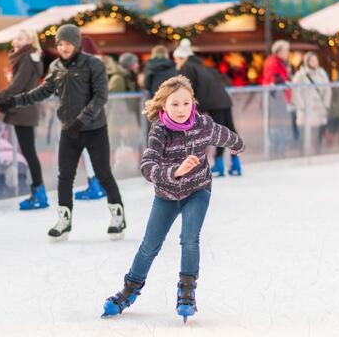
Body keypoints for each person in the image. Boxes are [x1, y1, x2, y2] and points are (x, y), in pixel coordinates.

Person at [101, 75, 245, 321]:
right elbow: (147, 166)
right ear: (164, 105)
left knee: (189, 239)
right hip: (166, 194)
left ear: (193, 103)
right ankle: (130, 290)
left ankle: (186, 291)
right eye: (175, 104)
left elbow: (226, 135)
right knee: (149, 246)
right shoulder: (160, 132)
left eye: (186, 103)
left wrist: (237, 146)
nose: (181, 109)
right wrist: (175, 171)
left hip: (198, 190)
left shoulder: (204, 125)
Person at [0, 24, 125, 240]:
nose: (64, 48)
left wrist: (82, 120)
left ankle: (118, 217)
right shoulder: (56, 66)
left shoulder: (94, 64)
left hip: (94, 129)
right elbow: (43, 91)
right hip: (69, 130)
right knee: (65, 176)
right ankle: (64, 220)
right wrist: (15, 101)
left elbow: (100, 97)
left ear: (76, 43)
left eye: (68, 43)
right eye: (60, 44)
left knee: (103, 173)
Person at [0, 29, 48, 210]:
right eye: (15, 38)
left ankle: (39, 194)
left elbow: (16, 87)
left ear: (29, 40)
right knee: (29, 152)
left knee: (29, 152)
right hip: (25, 109)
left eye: (20, 38)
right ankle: (38, 193)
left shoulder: (26, 59)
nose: (15, 41)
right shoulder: (27, 58)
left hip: (23, 110)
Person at [173, 38, 242, 176]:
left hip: (213, 103)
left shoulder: (187, 67)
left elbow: (186, 88)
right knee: (230, 130)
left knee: (219, 133)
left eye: (176, 59)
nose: (176, 62)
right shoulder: (204, 67)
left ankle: (220, 163)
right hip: (224, 100)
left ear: (181, 57)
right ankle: (235, 162)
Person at [73, 35, 108, 201]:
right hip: (97, 114)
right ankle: (100, 184)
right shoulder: (98, 64)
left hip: (86, 114)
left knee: (88, 151)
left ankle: (95, 185)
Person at [291, 52, 332, 153]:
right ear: (307, 62)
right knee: (305, 133)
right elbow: (295, 91)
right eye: (312, 60)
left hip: (319, 108)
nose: (315, 62)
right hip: (306, 109)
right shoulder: (301, 75)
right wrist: (302, 106)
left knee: (319, 132)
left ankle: (318, 150)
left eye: (316, 60)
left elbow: (327, 89)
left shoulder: (321, 73)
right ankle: (303, 152)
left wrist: (326, 104)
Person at [262, 40, 298, 142]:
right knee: (277, 123)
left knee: (283, 122)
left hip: (282, 97)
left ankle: (283, 143)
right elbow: (273, 78)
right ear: (279, 51)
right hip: (275, 98)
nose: (288, 53)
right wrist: (286, 82)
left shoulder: (283, 62)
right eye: (286, 51)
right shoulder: (272, 62)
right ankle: (277, 145)